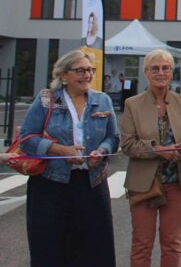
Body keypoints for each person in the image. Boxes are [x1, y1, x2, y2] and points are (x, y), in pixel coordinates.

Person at [19, 49, 118, 266]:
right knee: (51, 250)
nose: (87, 75)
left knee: (95, 250)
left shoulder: (102, 100)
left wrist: (101, 152)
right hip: (51, 185)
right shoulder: (46, 99)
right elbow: (26, 138)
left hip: (92, 185)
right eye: (80, 70)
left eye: (90, 70)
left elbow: (113, 137)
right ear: (63, 75)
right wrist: (61, 150)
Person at [121, 49, 181, 267]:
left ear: (172, 72)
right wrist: (157, 150)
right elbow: (127, 144)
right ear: (146, 73)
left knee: (172, 243)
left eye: (166, 68)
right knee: (142, 244)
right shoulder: (132, 104)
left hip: (177, 181)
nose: (161, 73)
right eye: (155, 69)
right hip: (143, 183)